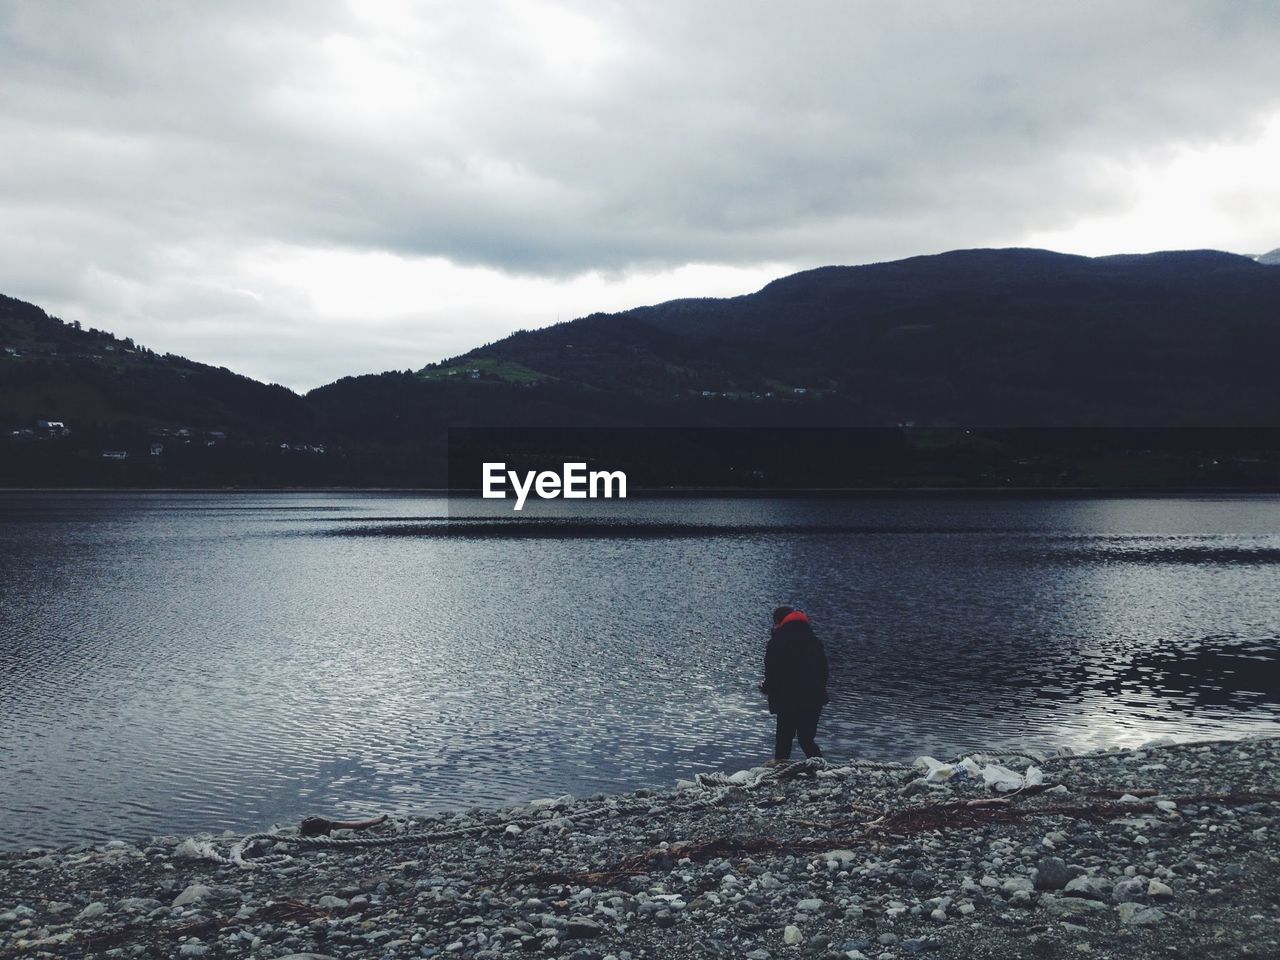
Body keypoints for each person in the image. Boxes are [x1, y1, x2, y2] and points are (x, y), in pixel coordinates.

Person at [758, 605, 829, 764]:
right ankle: (822, 770)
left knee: (784, 738)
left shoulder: (777, 641)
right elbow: (824, 671)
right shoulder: (812, 639)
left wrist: (766, 687)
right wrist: (818, 688)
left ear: (778, 621)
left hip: (787, 699)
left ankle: (781, 774)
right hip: (813, 698)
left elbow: (773, 673)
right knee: (806, 739)